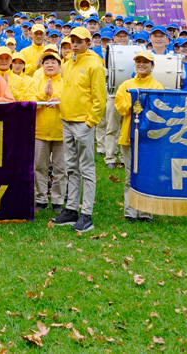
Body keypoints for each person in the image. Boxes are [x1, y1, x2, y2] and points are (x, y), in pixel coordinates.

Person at [55, 27, 106, 234]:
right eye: (72, 41)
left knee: (87, 168)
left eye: (79, 41)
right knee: (71, 167)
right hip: (67, 121)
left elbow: (99, 98)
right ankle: (71, 209)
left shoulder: (95, 64)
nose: (75, 44)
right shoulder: (68, 63)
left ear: (88, 42)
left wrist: (90, 122)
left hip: (82, 124)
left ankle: (87, 213)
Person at [115, 50, 164, 222]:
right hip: (128, 136)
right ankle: (130, 211)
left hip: (149, 138)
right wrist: (134, 100)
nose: (141, 65)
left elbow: (159, 110)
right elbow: (120, 108)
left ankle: (145, 212)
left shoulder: (157, 87)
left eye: (146, 62)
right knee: (130, 175)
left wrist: (143, 105)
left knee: (147, 174)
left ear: (152, 65)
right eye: (139, 62)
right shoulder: (126, 85)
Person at [19, 48, 63, 211]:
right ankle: (41, 199)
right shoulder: (34, 81)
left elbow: (73, 101)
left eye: (53, 62)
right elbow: (28, 102)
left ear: (60, 65)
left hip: (62, 134)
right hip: (39, 132)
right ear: (42, 65)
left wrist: (60, 99)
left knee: (60, 168)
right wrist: (44, 96)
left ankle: (58, 200)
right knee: (39, 167)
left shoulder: (66, 82)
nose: (50, 65)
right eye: (46, 62)